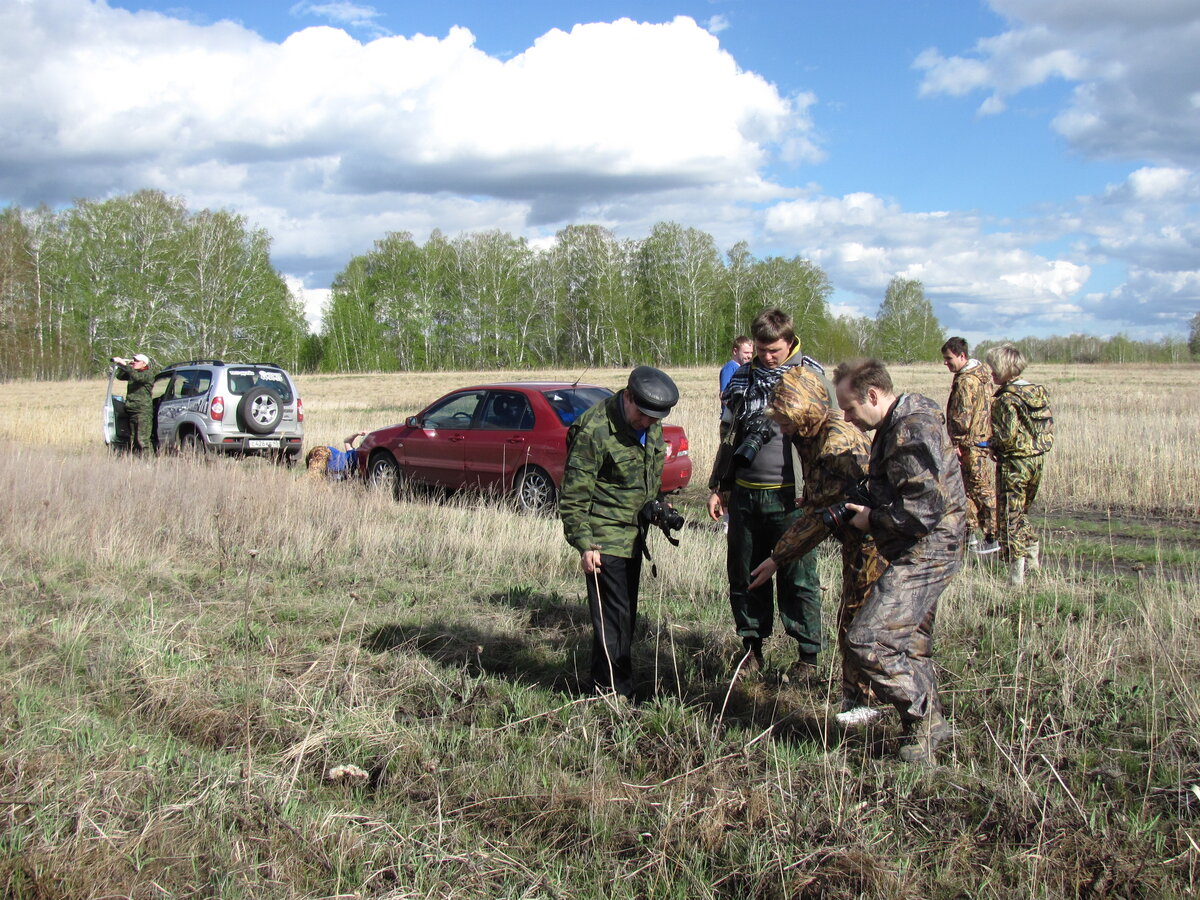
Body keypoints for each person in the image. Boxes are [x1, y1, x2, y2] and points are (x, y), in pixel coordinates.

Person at [833, 358, 967, 764]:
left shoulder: (910, 430)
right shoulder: (900, 422)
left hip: (927, 551)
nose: (846, 416)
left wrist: (870, 518)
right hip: (924, 547)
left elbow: (921, 512)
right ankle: (927, 733)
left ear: (872, 396)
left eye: (850, 407)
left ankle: (924, 719)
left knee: (867, 639)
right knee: (910, 644)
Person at [747, 368, 887, 714]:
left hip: (875, 541)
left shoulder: (835, 446)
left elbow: (818, 520)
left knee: (859, 620)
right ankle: (859, 697)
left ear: (803, 412)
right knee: (854, 618)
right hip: (858, 537)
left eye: (784, 420)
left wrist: (778, 557)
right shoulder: (810, 435)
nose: (780, 428)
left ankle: (867, 702)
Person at [707, 308, 834, 676]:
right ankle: (751, 649)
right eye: (761, 349)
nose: (767, 357)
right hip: (746, 494)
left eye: (774, 350)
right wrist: (721, 486)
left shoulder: (810, 377)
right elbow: (728, 436)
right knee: (745, 575)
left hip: (793, 497)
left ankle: (808, 657)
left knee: (799, 577)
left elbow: (832, 435)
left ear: (790, 341)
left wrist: (822, 492)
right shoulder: (742, 379)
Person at [559, 366, 680, 700]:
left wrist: (657, 507)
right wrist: (584, 544)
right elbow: (573, 496)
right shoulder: (594, 430)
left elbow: (648, 477)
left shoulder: (650, 424)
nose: (647, 424)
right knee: (612, 619)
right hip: (603, 537)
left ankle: (610, 683)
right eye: (642, 416)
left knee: (624, 615)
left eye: (654, 419)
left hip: (633, 536)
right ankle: (613, 693)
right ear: (628, 397)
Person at [985, 343, 1054, 586]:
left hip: (1014, 464)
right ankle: (1033, 561)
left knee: (1009, 517)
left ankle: (1016, 578)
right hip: (1037, 460)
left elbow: (1006, 437)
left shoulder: (1005, 398)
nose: (990, 371)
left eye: (994, 367)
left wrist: (992, 444)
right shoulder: (1037, 391)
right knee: (1022, 512)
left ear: (1005, 367)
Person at [941, 337, 999, 554]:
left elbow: (962, 416)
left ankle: (993, 536)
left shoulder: (966, 380)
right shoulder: (982, 375)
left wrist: (955, 441)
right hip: (981, 440)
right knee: (968, 491)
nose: (946, 363)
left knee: (980, 490)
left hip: (970, 444)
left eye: (949, 359)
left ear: (962, 356)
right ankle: (971, 534)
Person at [111, 353, 154, 453]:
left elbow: (137, 377)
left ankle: (149, 462)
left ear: (144, 364)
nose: (134, 362)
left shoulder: (147, 373)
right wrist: (122, 366)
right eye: (133, 360)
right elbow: (120, 376)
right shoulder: (133, 373)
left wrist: (126, 366)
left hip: (142, 411)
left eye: (137, 361)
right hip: (132, 410)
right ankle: (137, 462)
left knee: (143, 440)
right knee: (133, 439)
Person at [719, 336, 753, 401]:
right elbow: (723, 395)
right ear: (735, 351)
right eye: (746, 353)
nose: (750, 356)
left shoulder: (745, 369)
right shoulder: (729, 368)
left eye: (751, 352)